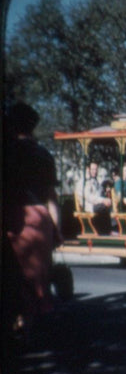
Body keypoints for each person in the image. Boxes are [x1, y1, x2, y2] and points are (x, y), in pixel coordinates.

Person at [4, 101, 62, 332]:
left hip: (11, 216)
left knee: (12, 275)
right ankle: (26, 325)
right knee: (35, 278)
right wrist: (57, 230)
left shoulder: (7, 151)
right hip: (38, 218)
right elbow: (51, 197)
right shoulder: (44, 155)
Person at [76, 161, 112, 235]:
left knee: (108, 203)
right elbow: (89, 197)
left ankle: (106, 230)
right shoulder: (84, 181)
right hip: (88, 206)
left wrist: (105, 192)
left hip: (94, 204)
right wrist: (103, 200)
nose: (95, 171)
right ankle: (108, 230)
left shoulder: (94, 180)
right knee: (105, 206)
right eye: (93, 169)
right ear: (88, 169)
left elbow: (98, 193)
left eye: (96, 169)